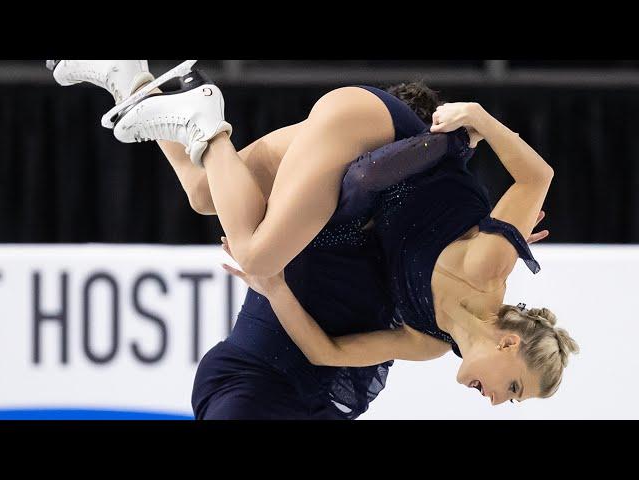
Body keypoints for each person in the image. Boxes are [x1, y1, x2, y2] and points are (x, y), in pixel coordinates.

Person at [47, 60, 577, 418]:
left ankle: (129, 77)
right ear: (510, 344)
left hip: (354, 169)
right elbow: (537, 177)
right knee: (253, 249)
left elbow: (326, 355)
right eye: (514, 390)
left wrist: (276, 290)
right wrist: (479, 116)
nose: (496, 403)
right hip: (375, 130)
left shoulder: (429, 343)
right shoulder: (490, 267)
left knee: (205, 191)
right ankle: (207, 117)